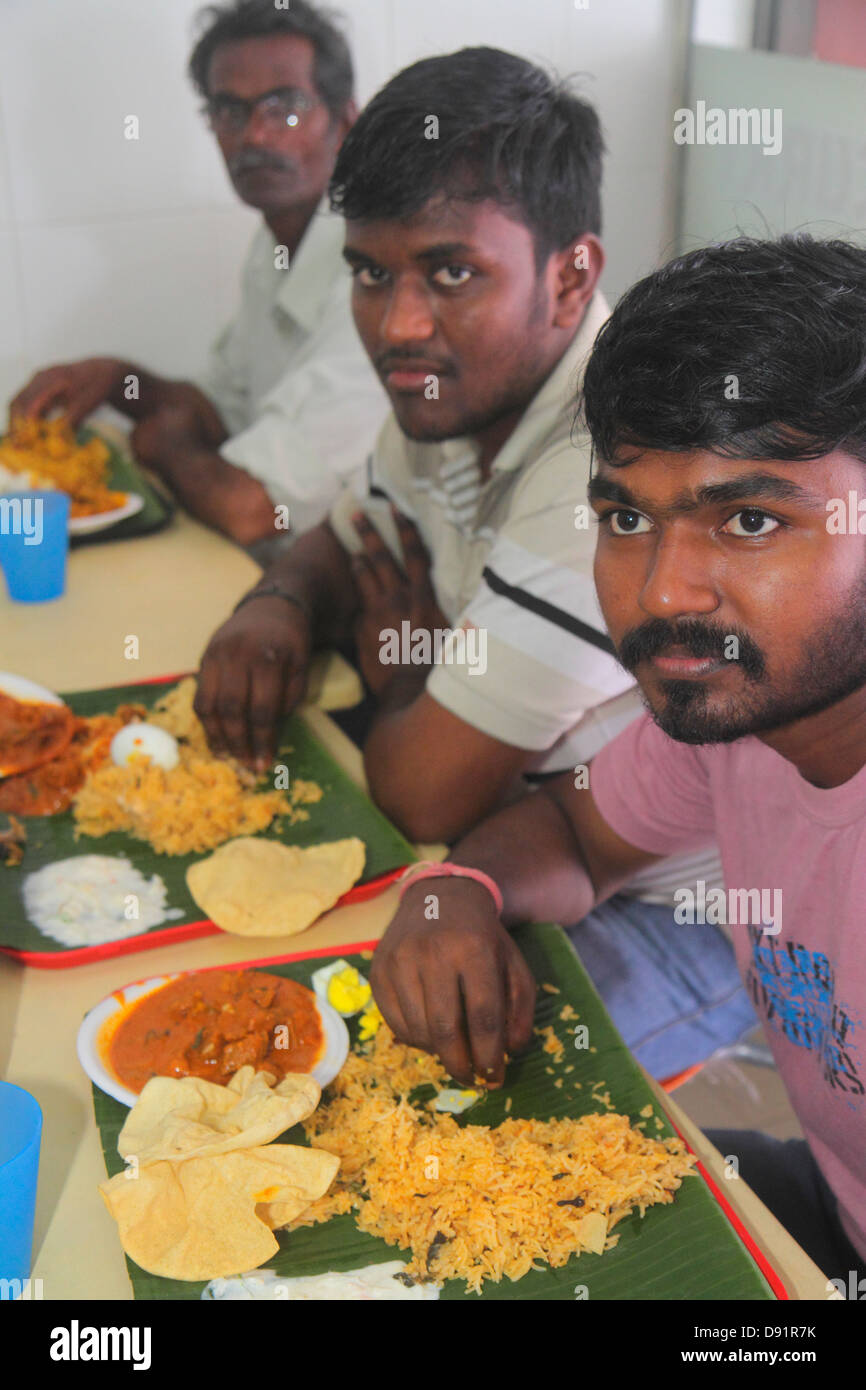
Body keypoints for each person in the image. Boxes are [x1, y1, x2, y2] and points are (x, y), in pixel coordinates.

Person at [196, 46, 755, 1078]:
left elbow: (421, 795)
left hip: (677, 909)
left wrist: (403, 672)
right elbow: (344, 535)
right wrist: (276, 601)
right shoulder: (447, 385)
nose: (399, 325)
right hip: (518, 838)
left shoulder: (614, 463)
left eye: (451, 272)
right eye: (370, 274)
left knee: (398, 1093)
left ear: (569, 274)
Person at [370, 234, 866, 1280]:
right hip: (824, 1203)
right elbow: (571, 830)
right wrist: (454, 886)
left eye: (746, 517)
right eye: (624, 516)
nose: (660, 591)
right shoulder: (739, 717)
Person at [10, 0, 386, 549]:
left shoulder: (377, 270)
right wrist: (120, 379)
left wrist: (166, 447)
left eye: (284, 107)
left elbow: (251, 509)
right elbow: (222, 412)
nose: (254, 135)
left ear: (346, 122)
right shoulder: (276, 244)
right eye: (230, 111)